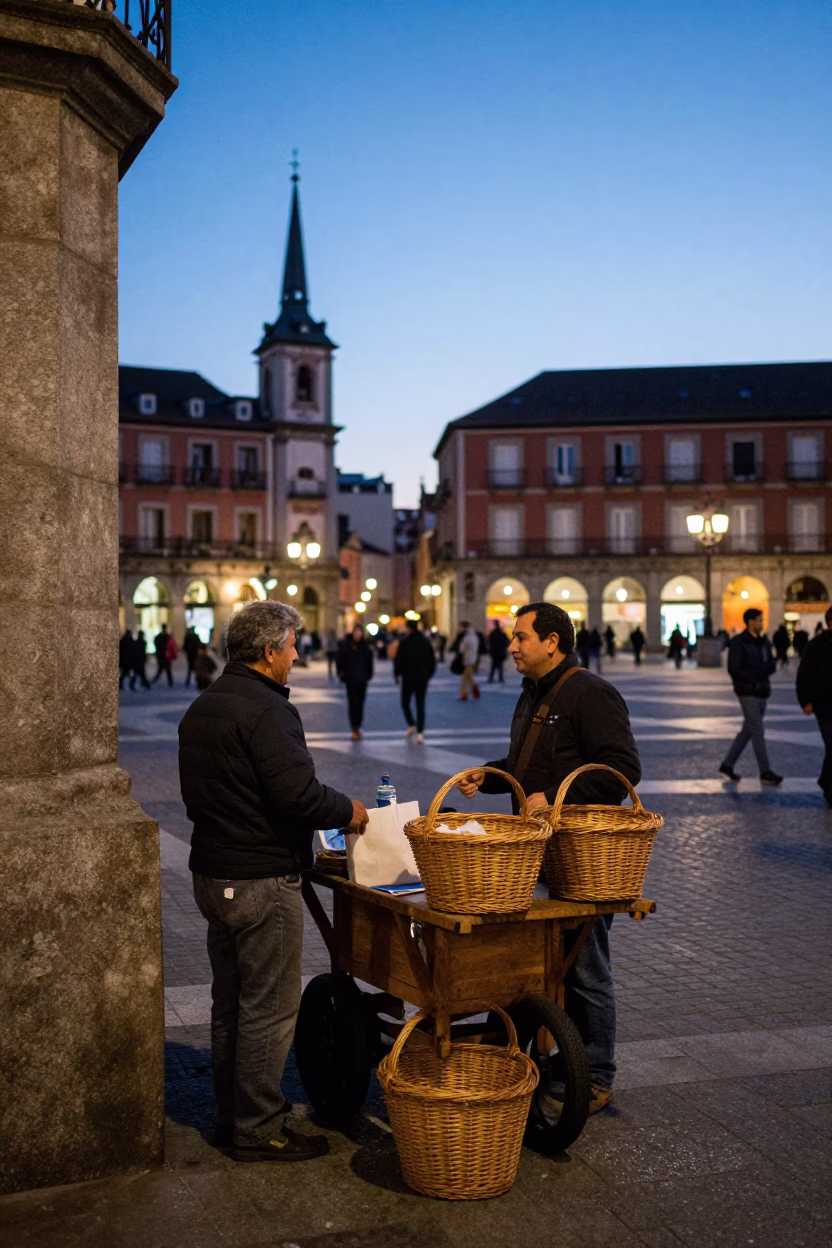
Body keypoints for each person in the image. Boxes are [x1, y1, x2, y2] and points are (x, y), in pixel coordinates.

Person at [179, 600, 369, 1162]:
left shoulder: (205, 704)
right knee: (269, 1006)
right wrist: (349, 810)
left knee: (231, 1002)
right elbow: (298, 795)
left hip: (214, 873)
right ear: (268, 652)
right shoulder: (265, 709)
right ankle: (259, 1126)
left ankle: (231, 1112)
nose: (295, 655)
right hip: (260, 876)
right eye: (291, 646)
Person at [456, 602, 641, 1113]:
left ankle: (597, 1073)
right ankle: (540, 1057)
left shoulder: (591, 692)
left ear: (552, 641)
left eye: (520, 637)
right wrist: (490, 774)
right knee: (532, 962)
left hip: (579, 860)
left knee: (585, 968)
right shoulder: (533, 691)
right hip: (532, 854)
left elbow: (623, 769)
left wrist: (557, 795)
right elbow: (526, 766)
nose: (511, 646)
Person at [719, 607, 782, 785]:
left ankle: (727, 764)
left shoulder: (764, 642)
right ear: (751, 622)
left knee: (748, 730)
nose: (762, 623)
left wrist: (764, 672)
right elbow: (734, 668)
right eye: (759, 620)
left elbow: (771, 663)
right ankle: (765, 771)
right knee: (757, 729)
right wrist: (752, 680)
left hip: (762, 690)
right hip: (747, 692)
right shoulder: (739, 642)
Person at [796, 605, 832, 807]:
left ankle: (826, 781)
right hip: (824, 705)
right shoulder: (816, 646)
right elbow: (804, 675)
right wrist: (805, 701)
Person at [394, 619, 436, 741]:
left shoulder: (404, 642)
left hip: (408, 677)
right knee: (420, 704)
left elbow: (399, 660)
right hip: (422, 678)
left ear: (409, 628)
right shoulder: (425, 641)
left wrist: (397, 675)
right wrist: (428, 675)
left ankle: (412, 724)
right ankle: (420, 732)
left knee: (405, 702)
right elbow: (432, 660)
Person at [337, 623, 374, 740]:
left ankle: (358, 726)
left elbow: (370, 662)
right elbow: (340, 660)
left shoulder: (365, 646)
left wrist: (368, 675)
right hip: (351, 679)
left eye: (359, 632)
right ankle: (354, 728)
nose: (357, 634)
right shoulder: (346, 645)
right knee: (352, 704)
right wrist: (341, 674)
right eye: (356, 632)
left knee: (360, 704)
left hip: (362, 679)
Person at [457, 621, 481, 701]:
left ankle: (464, 694)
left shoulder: (467, 637)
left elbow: (461, 649)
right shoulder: (474, 636)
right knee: (468, 677)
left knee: (465, 678)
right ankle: (473, 692)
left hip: (467, 659)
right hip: (473, 658)